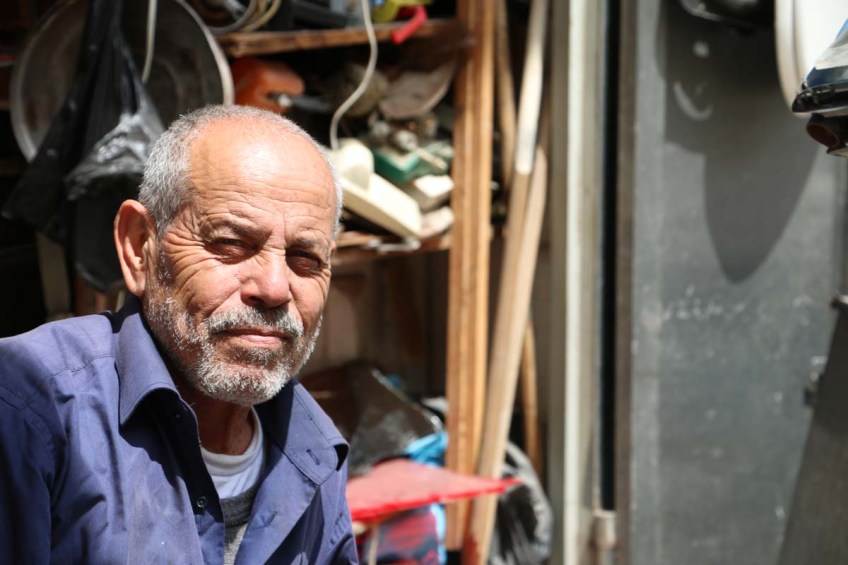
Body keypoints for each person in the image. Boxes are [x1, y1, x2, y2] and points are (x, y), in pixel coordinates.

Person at [0, 105, 358, 563]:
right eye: (230, 243)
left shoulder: (315, 451)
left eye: (305, 257)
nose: (274, 288)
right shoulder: (31, 406)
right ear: (139, 248)